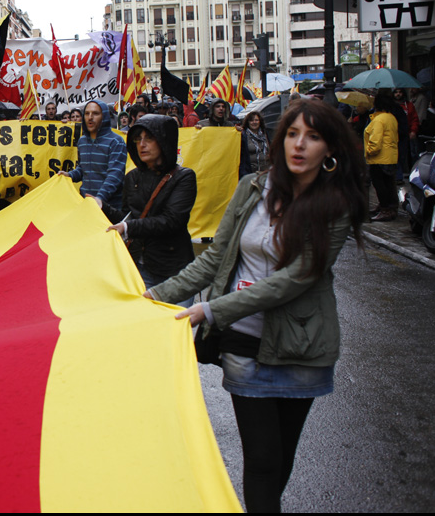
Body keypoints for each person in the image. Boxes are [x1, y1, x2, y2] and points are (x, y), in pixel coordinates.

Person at [148, 98, 367, 513]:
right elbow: (214, 259)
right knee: (262, 461)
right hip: (244, 346)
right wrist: (154, 297)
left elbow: (296, 278)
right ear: (279, 140)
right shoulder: (251, 188)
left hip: (301, 347)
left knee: (280, 460)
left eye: (314, 137)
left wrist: (211, 310)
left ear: (330, 150)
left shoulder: (335, 205)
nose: (300, 145)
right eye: (292, 134)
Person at [105, 114, 197, 298]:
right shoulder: (132, 177)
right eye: (138, 139)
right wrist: (100, 206)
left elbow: (171, 221)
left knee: (175, 324)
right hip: (140, 267)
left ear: (164, 140)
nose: (142, 144)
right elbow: (128, 217)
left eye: (149, 138)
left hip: (174, 269)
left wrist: (128, 227)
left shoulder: (184, 177)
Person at [59, 99, 127, 220]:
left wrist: (99, 199)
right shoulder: (82, 141)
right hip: (86, 205)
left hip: (109, 208)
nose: (90, 117)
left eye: (95, 113)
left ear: (104, 116)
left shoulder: (116, 141)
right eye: (87, 113)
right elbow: (82, 168)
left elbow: (115, 176)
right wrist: (70, 175)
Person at [365, 90, 399, 222]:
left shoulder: (379, 120)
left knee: (380, 185)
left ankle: (385, 208)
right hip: (390, 156)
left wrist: (368, 151)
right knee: (389, 184)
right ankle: (389, 207)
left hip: (379, 158)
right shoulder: (391, 118)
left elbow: (375, 142)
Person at [239, 111, 272, 177]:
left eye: (256, 120)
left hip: (266, 173)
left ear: (260, 121)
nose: (254, 122)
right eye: (251, 120)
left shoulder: (265, 134)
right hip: (250, 174)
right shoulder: (243, 136)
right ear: (247, 122)